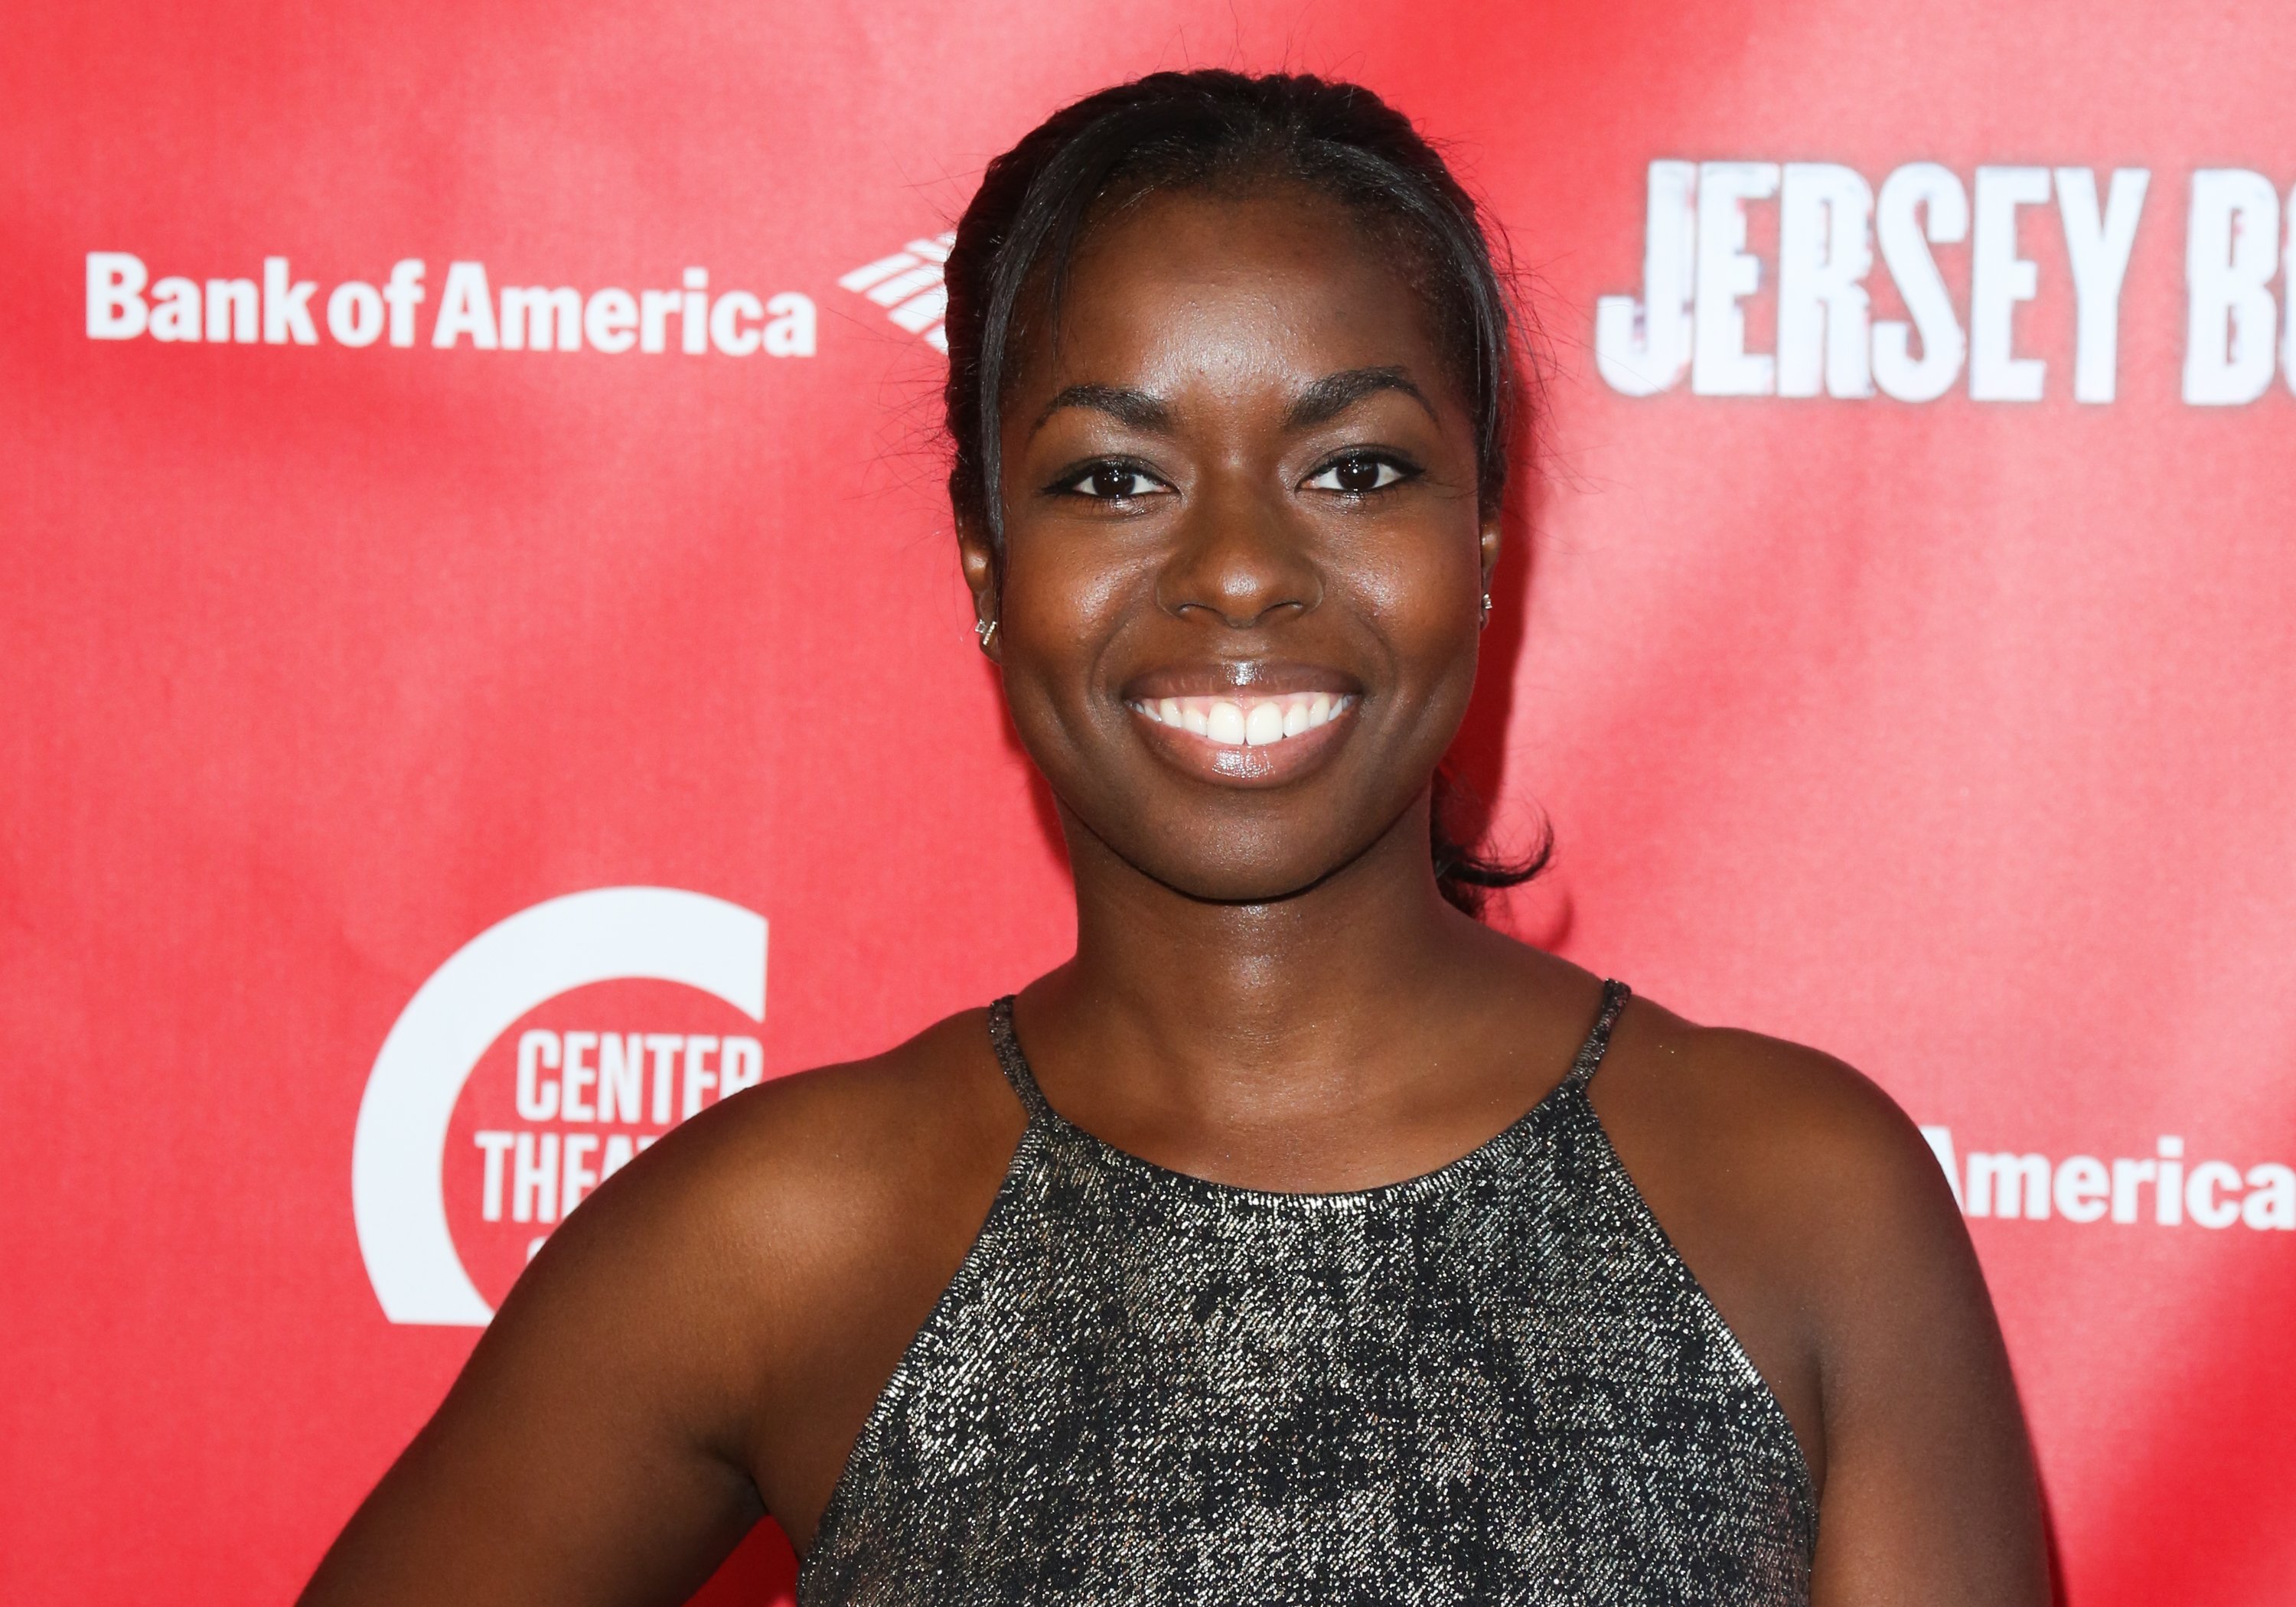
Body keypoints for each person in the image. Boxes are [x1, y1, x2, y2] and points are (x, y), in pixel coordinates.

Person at [302, 70, 2049, 1606]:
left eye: (1354, 470)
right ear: (988, 568)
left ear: (1489, 541)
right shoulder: (780, 1241)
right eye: (1112, 478)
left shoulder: (1807, 1203)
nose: (1233, 568)